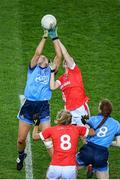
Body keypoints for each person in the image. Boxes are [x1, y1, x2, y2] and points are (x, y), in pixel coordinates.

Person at [16, 29, 62, 171]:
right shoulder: (32, 69)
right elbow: (37, 53)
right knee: (21, 140)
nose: (40, 57)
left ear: (47, 62)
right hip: (28, 105)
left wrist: (54, 36)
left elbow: (59, 56)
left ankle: (56, 164)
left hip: (42, 107)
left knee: (47, 139)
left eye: (43, 58)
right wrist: (44, 37)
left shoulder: (50, 71)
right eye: (39, 57)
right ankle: (21, 154)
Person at [32, 109, 95, 179]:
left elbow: (34, 137)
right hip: (70, 167)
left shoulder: (51, 130)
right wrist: (87, 123)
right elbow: (93, 132)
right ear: (70, 120)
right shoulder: (77, 129)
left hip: (55, 166)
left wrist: (36, 124)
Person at [76, 99, 120, 179]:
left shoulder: (93, 119)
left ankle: (89, 165)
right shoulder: (116, 124)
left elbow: (84, 134)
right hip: (101, 155)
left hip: (88, 151)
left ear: (100, 109)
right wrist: (109, 142)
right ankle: (92, 166)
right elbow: (119, 144)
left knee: (69, 168)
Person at [49, 37, 90, 125]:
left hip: (81, 108)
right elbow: (52, 87)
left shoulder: (75, 71)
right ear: (63, 66)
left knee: (85, 133)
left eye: (69, 59)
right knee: (70, 133)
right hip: (68, 110)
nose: (67, 60)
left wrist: (56, 38)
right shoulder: (61, 78)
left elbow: (65, 53)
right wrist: (52, 71)